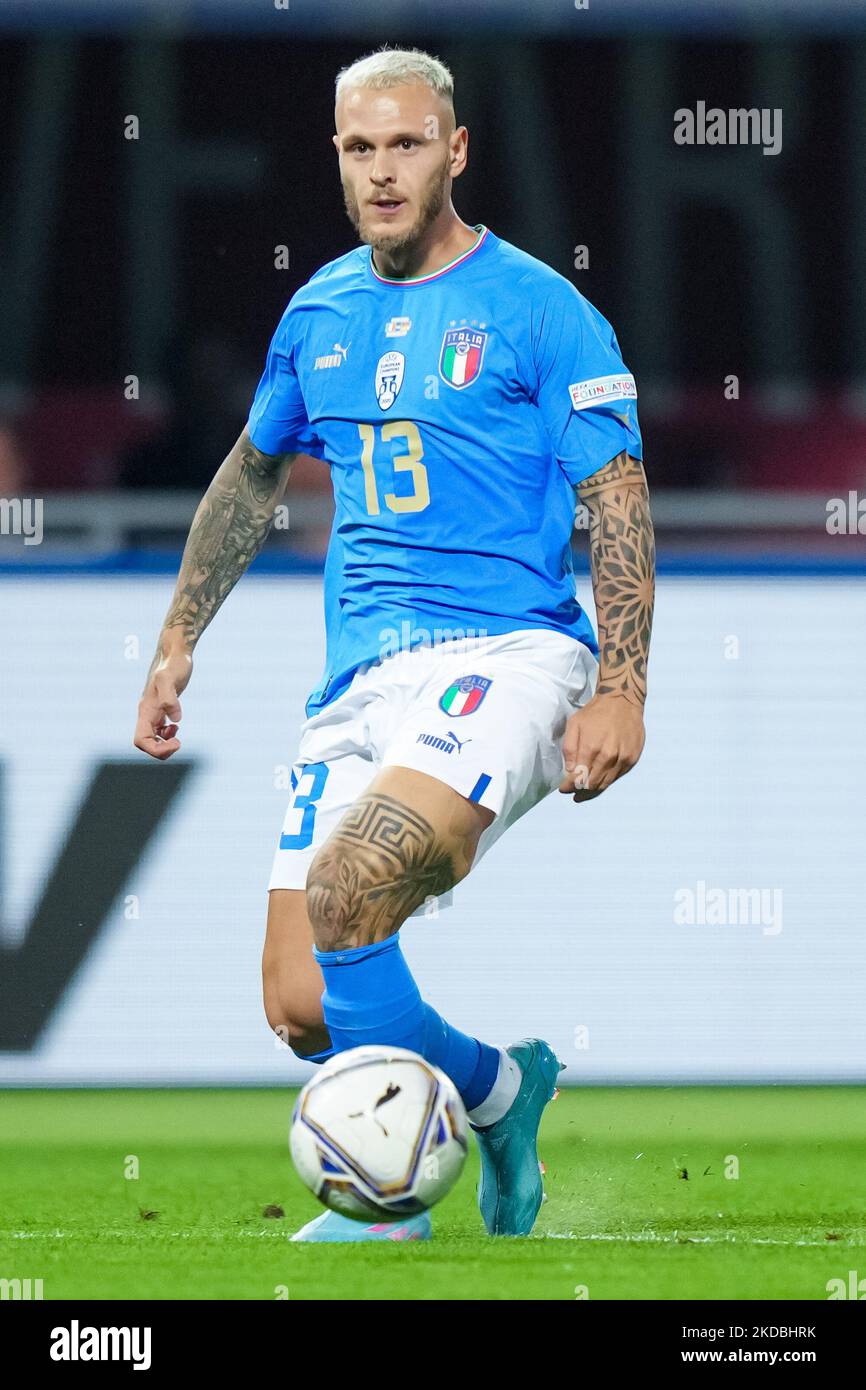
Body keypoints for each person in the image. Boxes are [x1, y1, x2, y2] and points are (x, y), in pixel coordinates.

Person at [134, 47, 655, 1243]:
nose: (382, 171)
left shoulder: (539, 309)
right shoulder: (318, 310)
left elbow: (617, 498)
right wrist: (175, 638)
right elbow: (254, 468)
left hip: (507, 655)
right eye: (360, 148)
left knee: (349, 883)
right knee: (302, 1004)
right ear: (335, 156)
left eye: (407, 143)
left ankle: (383, 1206)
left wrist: (621, 682)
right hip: (354, 681)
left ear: (455, 150)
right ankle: (499, 1092)